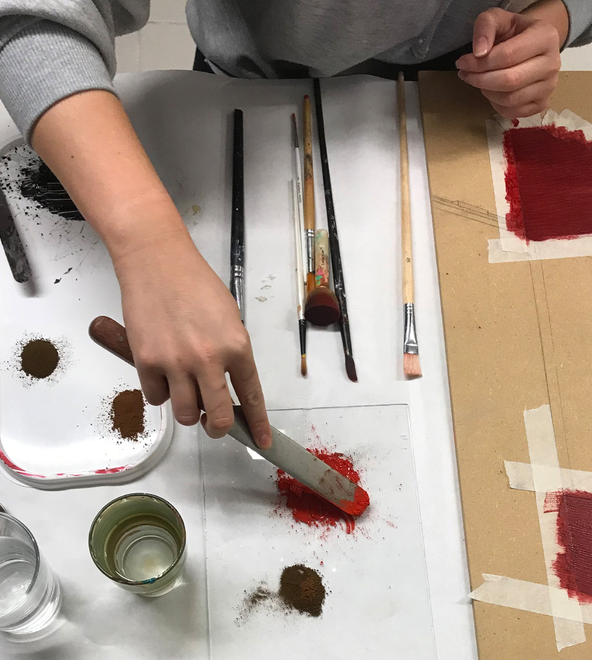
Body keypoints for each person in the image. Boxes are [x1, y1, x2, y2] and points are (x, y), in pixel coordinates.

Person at [0, 1, 586, 444]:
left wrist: (556, 17)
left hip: (460, 90)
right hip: (251, 78)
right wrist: (145, 239)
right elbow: (31, 14)